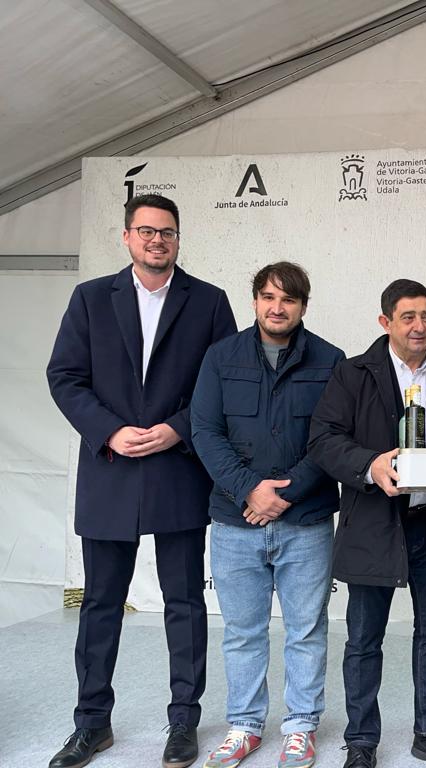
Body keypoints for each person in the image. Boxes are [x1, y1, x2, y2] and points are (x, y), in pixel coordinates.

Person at [46, 194, 237, 768]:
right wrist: (109, 431)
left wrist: (178, 429)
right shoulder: (89, 299)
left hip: (178, 469)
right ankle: (91, 724)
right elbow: (65, 376)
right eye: (147, 231)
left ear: (179, 239)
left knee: (184, 602)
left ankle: (184, 722)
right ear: (127, 236)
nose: (158, 240)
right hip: (110, 471)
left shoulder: (208, 302)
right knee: (101, 603)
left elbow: (223, 383)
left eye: (168, 232)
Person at [307, 279, 426, 768]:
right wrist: (370, 465)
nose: (419, 326)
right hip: (374, 524)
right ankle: (361, 741)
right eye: (408, 317)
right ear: (385, 323)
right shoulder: (352, 374)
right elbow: (322, 440)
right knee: (363, 639)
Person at [190, 262, 344, 768]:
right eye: (268, 297)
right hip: (236, 522)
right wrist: (247, 491)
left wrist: (285, 493)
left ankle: (300, 727)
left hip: (307, 521)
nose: (277, 308)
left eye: (289, 300)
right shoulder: (220, 357)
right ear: (254, 301)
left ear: (303, 305)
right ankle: (246, 726)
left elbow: (332, 438)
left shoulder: (330, 360)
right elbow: (205, 432)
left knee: (305, 629)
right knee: (242, 630)